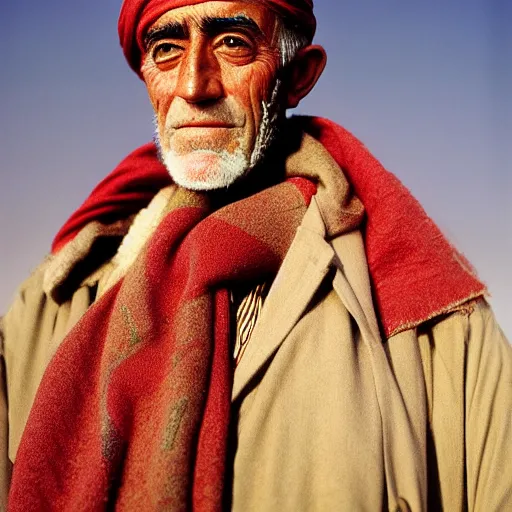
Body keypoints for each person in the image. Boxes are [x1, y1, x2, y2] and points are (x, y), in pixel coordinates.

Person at [1, 0, 510, 510]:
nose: (194, 86)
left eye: (232, 44)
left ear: (298, 75)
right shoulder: (49, 311)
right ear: (146, 78)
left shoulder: (433, 325)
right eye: (167, 50)